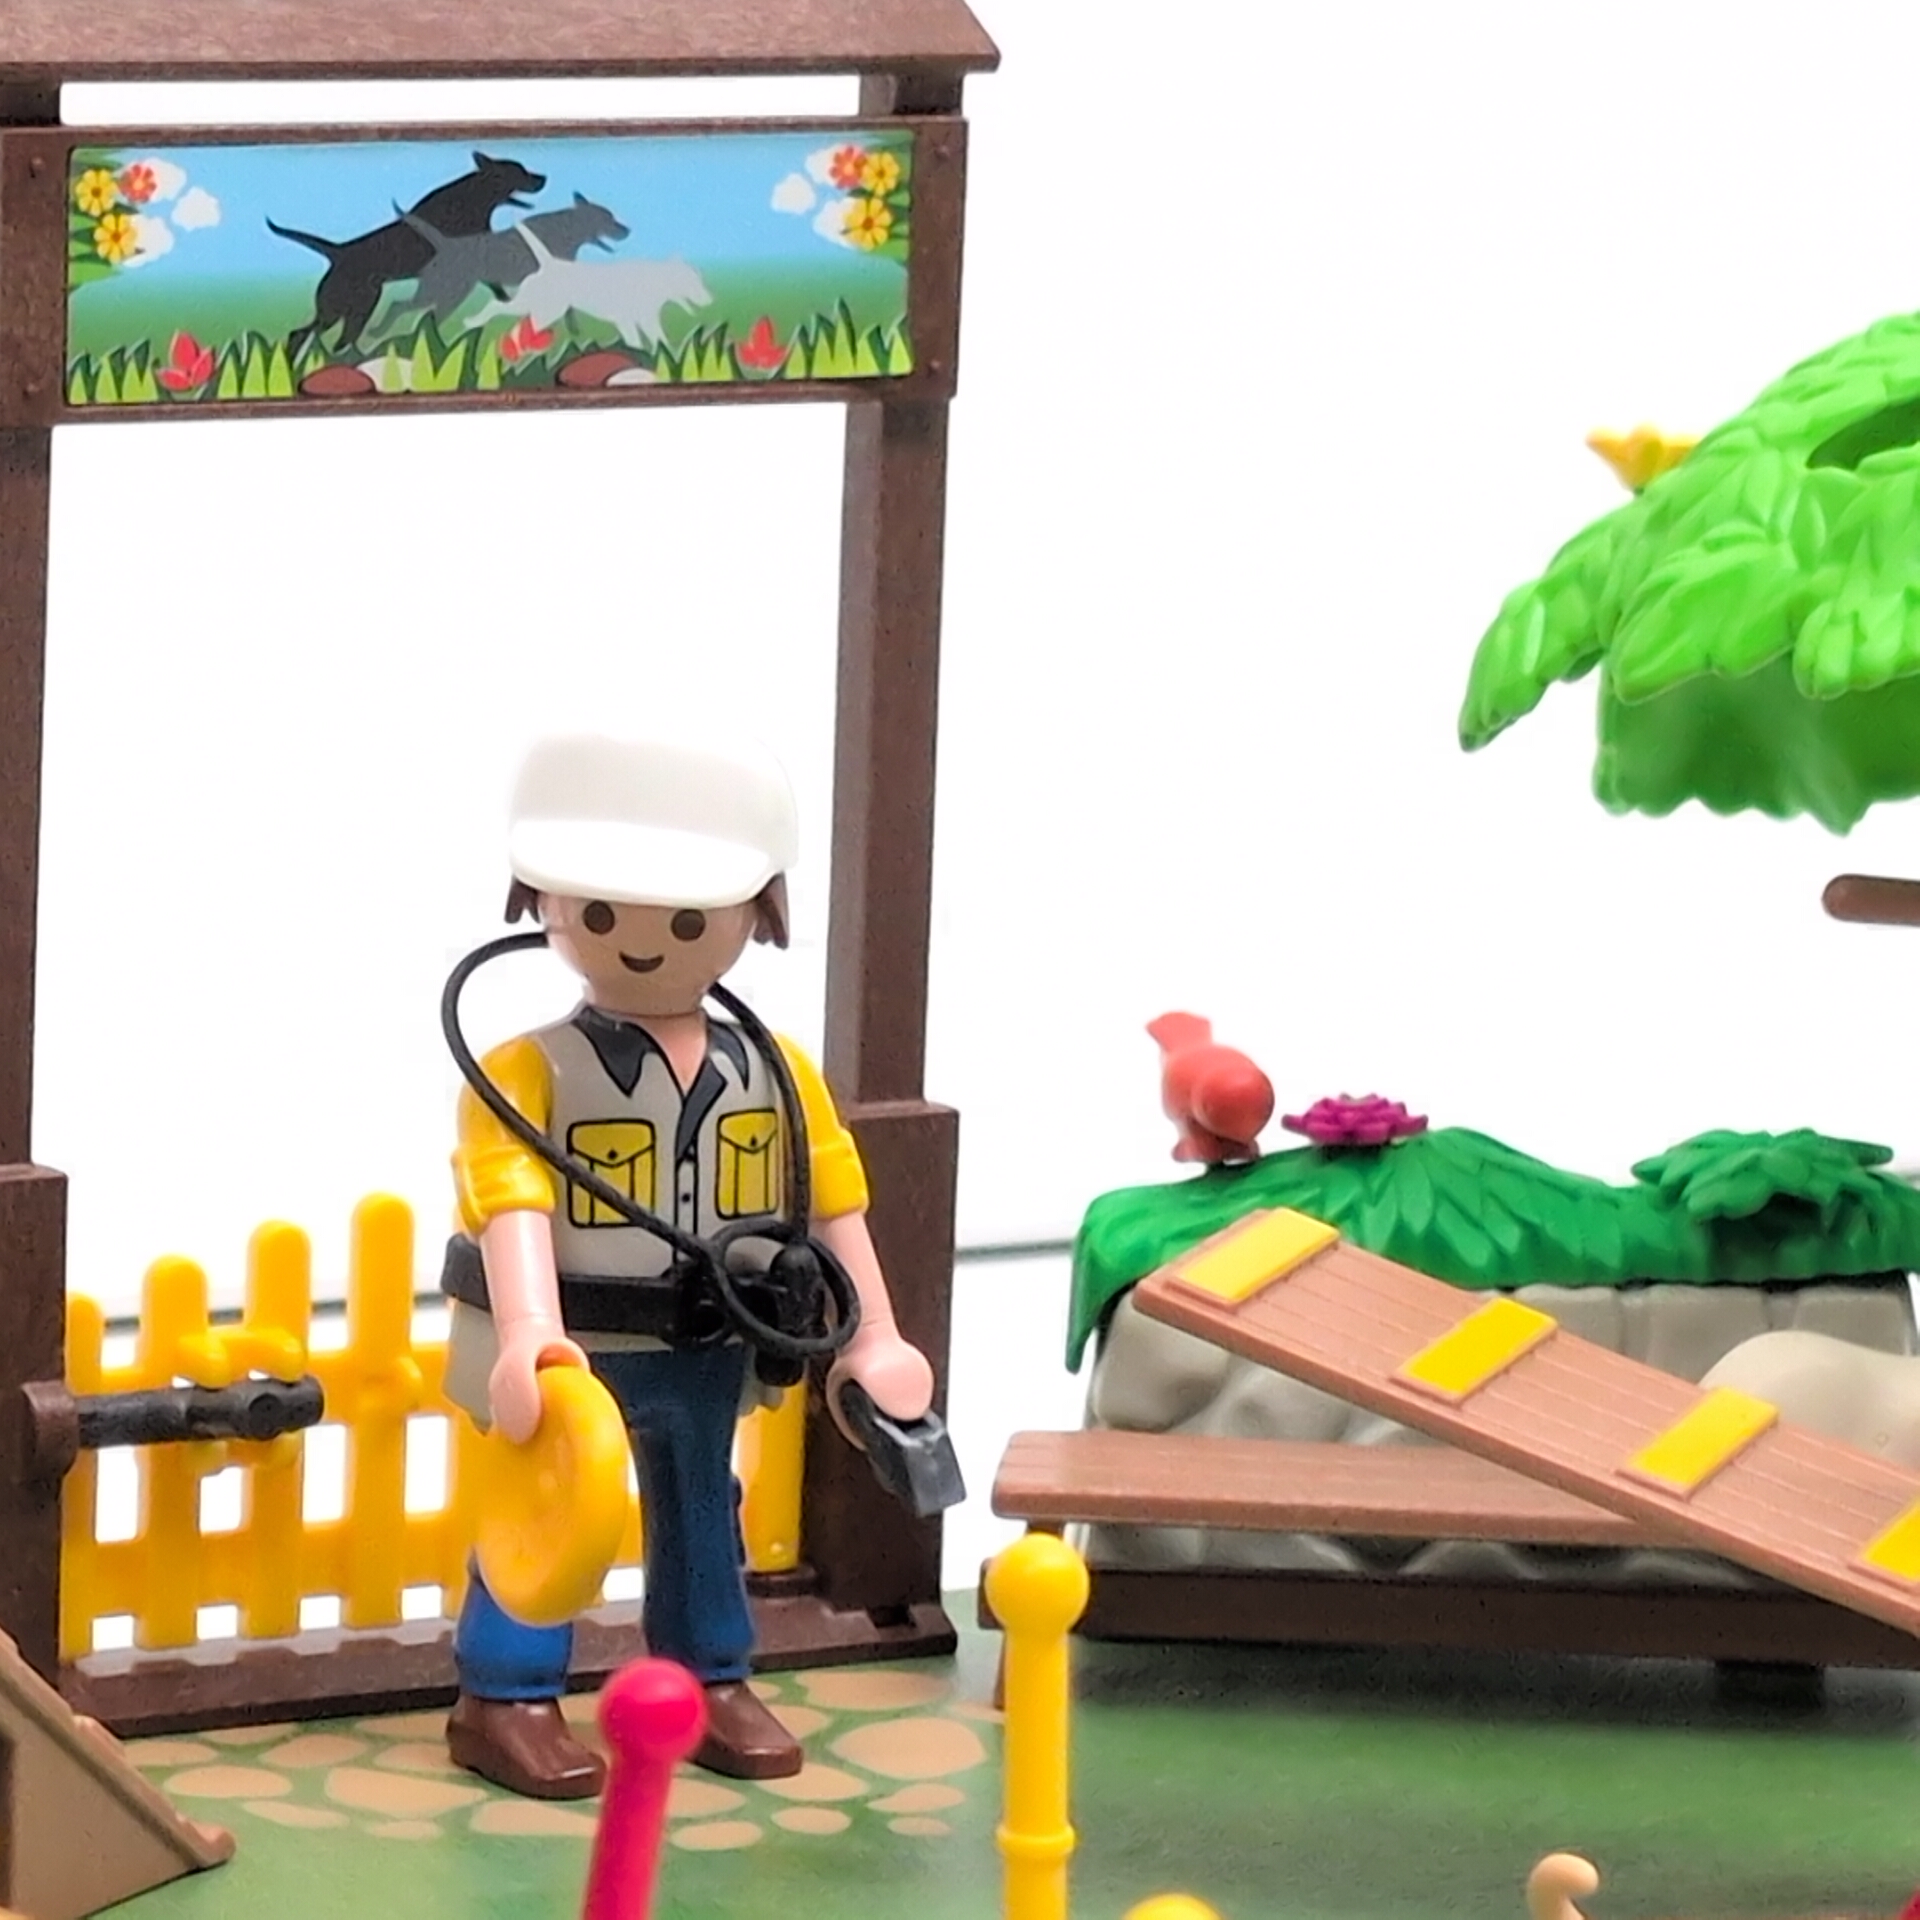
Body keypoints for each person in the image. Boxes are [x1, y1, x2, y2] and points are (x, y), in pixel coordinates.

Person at [440, 728, 936, 1798]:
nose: (644, 943)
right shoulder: (529, 1070)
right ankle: (505, 1695)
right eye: (602, 912)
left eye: (687, 919)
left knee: (705, 1502)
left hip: (708, 1338)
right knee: (548, 1509)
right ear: (543, 903)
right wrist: (529, 1333)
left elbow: (831, 1197)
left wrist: (875, 1337)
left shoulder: (775, 1068)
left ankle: (708, 1677)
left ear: (756, 912)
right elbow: (512, 1203)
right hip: (576, 1347)